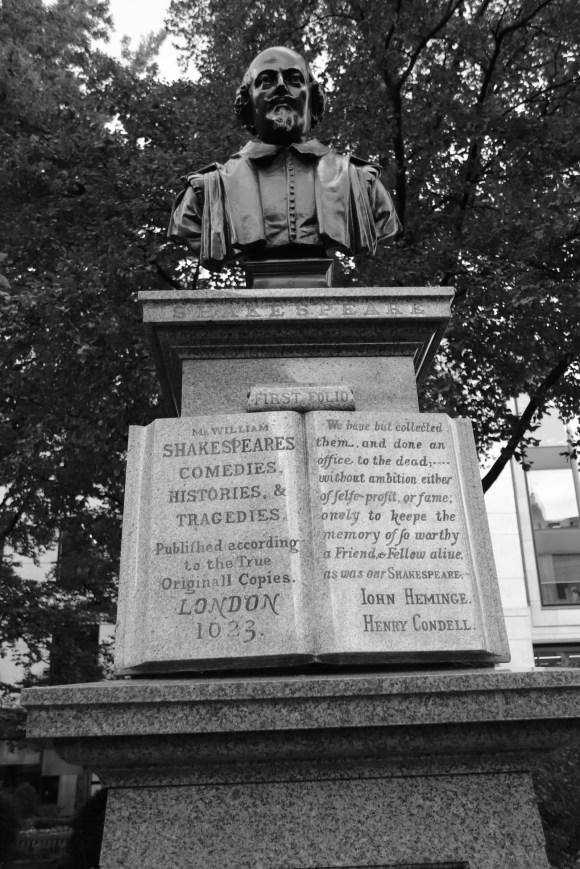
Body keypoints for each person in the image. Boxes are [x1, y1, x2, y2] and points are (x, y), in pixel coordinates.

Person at [168, 46, 401, 271]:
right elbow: (188, 227)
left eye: (294, 79)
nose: (280, 87)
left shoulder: (360, 183)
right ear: (248, 101)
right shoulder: (207, 191)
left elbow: (386, 225)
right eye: (266, 81)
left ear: (312, 98)